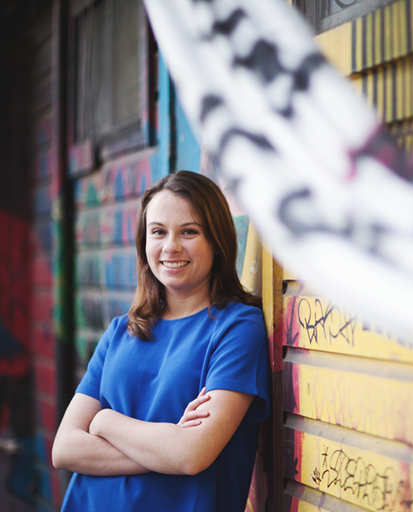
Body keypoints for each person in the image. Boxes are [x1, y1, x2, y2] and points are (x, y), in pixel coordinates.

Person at [52, 171, 269, 512]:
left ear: (217, 240)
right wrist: (166, 446)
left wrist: (105, 422)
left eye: (189, 232)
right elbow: (65, 448)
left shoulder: (238, 327)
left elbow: (191, 454)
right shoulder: (119, 332)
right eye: (158, 232)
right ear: (144, 242)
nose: (171, 246)